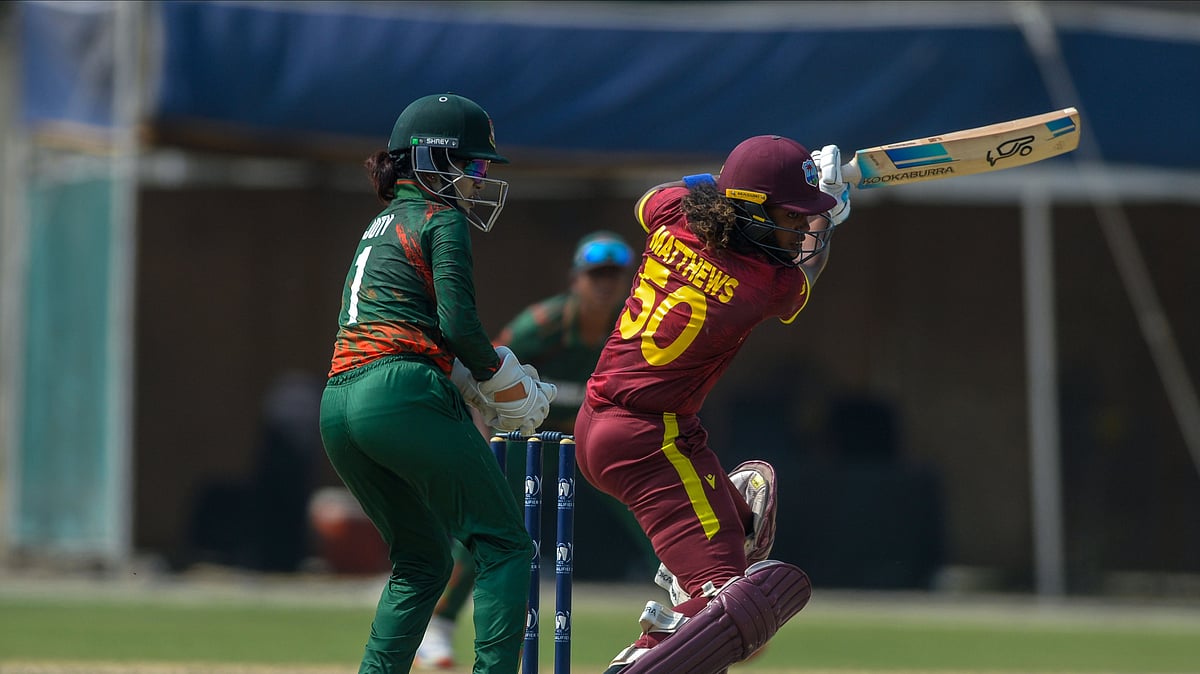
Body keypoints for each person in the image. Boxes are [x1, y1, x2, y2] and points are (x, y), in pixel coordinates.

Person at [573, 135, 853, 673]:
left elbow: (658, 194)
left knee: (734, 564)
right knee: (726, 610)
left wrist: (784, 190)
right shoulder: (757, 285)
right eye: (790, 216)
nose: (799, 229)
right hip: (650, 439)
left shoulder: (672, 217)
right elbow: (808, 273)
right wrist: (830, 215)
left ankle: (715, 543)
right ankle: (649, 651)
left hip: (609, 422)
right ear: (749, 210)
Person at [318, 92, 556, 674]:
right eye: (472, 166)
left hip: (338, 406)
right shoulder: (440, 217)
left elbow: (399, 323)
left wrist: (463, 373)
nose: (478, 181)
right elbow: (457, 322)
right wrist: (498, 376)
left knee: (422, 561)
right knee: (504, 544)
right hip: (400, 394)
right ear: (434, 162)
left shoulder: (378, 222)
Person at [416, 230, 653, 669]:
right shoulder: (542, 324)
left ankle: (700, 598)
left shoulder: (631, 324)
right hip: (524, 438)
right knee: (491, 526)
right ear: (576, 279)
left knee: (646, 505)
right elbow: (485, 371)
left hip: (586, 440)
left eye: (614, 275)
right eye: (595, 275)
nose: (604, 284)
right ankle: (438, 625)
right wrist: (489, 440)